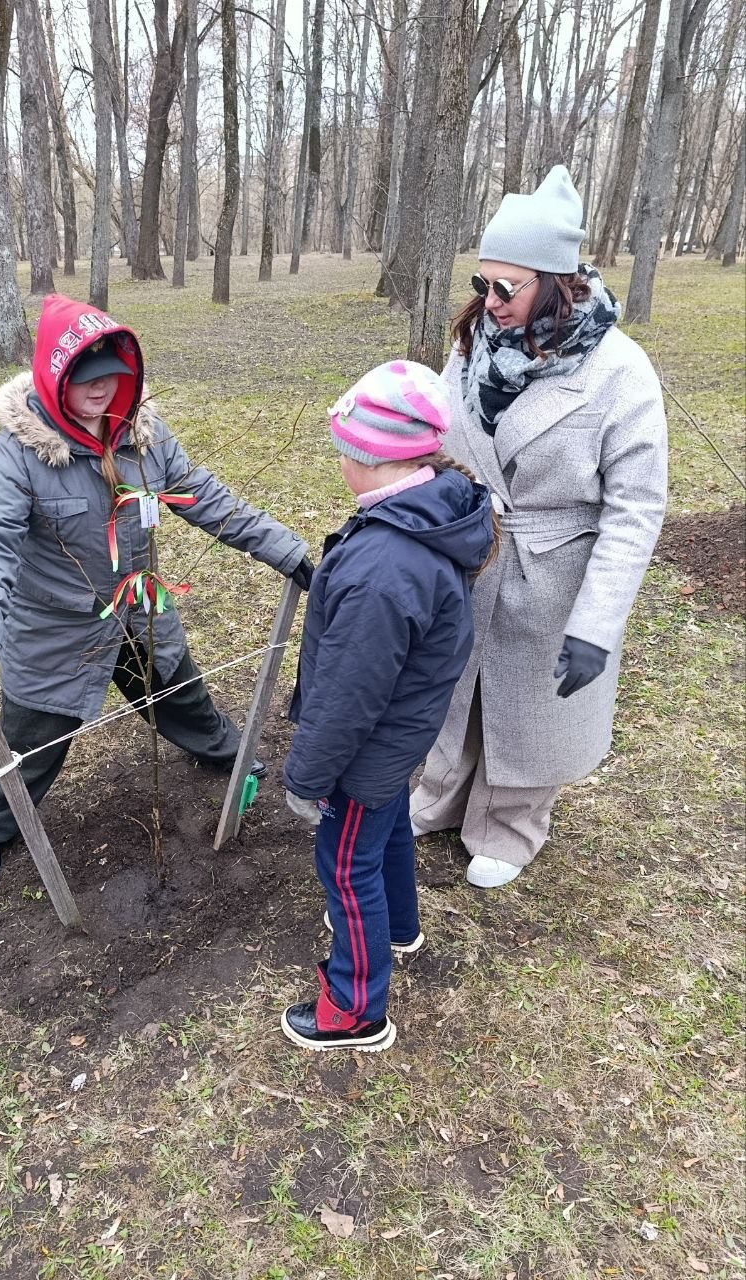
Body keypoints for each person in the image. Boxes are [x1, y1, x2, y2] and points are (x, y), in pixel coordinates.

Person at [0, 294, 313, 891]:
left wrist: (288, 551)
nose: (101, 390)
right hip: (56, 630)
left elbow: (204, 497)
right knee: (32, 741)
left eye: (113, 376)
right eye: (86, 378)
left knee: (180, 691)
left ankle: (218, 749)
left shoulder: (147, 435)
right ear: (56, 375)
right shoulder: (18, 454)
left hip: (140, 611)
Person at [409, 165, 668, 889]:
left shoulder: (619, 371)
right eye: (480, 284)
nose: (487, 303)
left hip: (554, 569)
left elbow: (637, 506)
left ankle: (512, 822)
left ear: (556, 282)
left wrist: (596, 624)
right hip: (468, 552)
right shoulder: (472, 350)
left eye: (505, 288)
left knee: (526, 702)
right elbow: (437, 437)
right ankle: (438, 795)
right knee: (456, 684)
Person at [281, 361, 496, 1052]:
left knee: (346, 867)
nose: (340, 461)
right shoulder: (429, 511)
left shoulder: (384, 565)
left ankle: (355, 1008)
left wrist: (307, 777)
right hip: (402, 738)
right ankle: (400, 925)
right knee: (386, 832)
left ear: (370, 457)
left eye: (345, 449)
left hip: (365, 754)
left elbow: (348, 695)